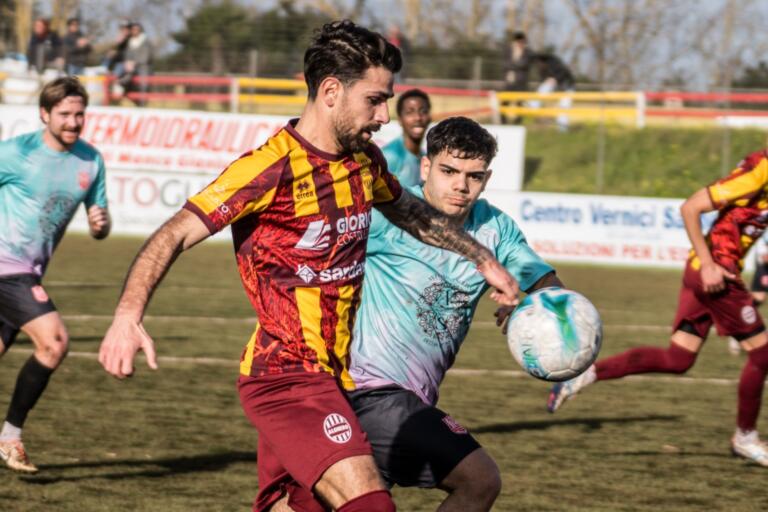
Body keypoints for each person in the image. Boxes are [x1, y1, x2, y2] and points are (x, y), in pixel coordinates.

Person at [98, 20, 519, 512]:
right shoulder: (269, 168)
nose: (384, 115)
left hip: (336, 380)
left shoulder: (363, 161)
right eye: (375, 100)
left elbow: (410, 211)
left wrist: (483, 259)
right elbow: (172, 234)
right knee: (371, 506)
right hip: (286, 376)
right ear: (331, 92)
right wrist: (127, 317)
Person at [348, 116, 562, 511]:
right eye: (449, 171)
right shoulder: (389, 215)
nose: (461, 186)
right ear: (426, 167)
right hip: (369, 389)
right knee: (479, 480)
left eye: (474, 176)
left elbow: (546, 283)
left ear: (486, 178)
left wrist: (531, 310)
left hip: (412, 400)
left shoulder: (496, 229)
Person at [547, 149, 768, 467]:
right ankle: (745, 438)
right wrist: (708, 264)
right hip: (715, 275)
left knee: (678, 359)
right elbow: (690, 207)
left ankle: (582, 376)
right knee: (762, 354)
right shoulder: (759, 172)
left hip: (703, 273)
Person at [0, 77, 110, 473]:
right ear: (44, 114)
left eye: (79, 114)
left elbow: (100, 221)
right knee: (55, 342)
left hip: (29, 270)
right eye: (64, 114)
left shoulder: (90, 161)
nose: (73, 121)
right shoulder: (16, 152)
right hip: (7, 269)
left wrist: (100, 223)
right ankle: (10, 438)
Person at [381, 89, 431, 187]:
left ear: (429, 117)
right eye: (409, 112)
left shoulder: (426, 157)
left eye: (423, 111)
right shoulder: (389, 156)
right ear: (400, 119)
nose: (418, 118)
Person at [531, 53, 575, 131]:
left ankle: (562, 129)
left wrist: (555, 79)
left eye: (539, 63)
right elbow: (545, 82)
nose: (538, 65)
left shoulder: (554, 64)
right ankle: (534, 105)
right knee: (545, 86)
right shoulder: (544, 69)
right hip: (558, 88)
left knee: (564, 106)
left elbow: (564, 73)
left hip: (567, 87)